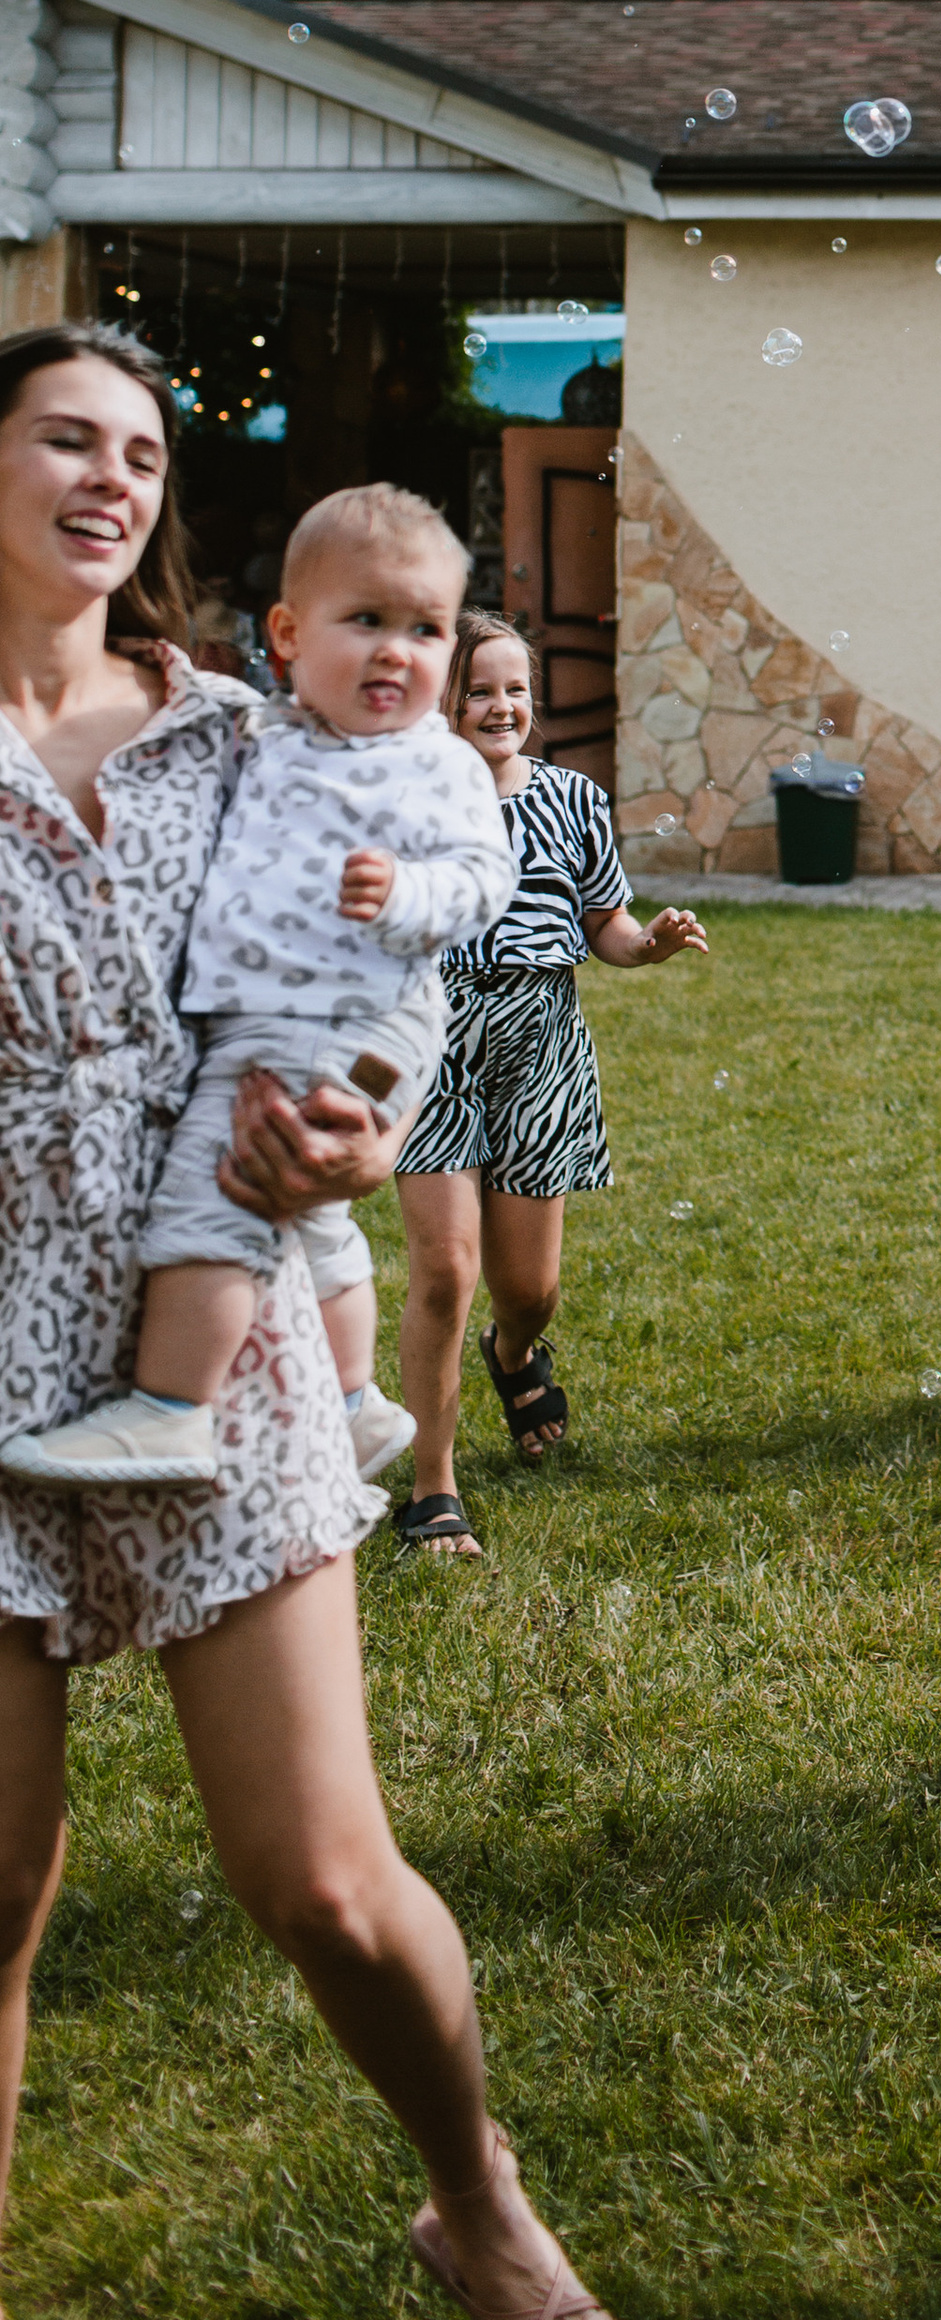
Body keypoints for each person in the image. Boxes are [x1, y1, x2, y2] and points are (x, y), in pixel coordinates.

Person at [0, 323, 609, 2315]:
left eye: (146, 455)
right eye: (65, 441)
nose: (112, 478)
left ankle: (479, 2199)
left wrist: (370, 1139)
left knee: (333, 1892)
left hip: (224, 1334)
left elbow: (363, 982)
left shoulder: (235, 732)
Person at [1, 482, 515, 1495]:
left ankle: (170, 1411)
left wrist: (406, 892)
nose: (396, 651)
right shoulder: (263, 734)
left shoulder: (431, 765)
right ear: (286, 633)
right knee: (309, 1222)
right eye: (365, 621)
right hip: (269, 1010)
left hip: (340, 1007)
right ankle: (358, 1401)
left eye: (426, 630)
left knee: (215, 1196)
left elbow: (482, 879)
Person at [392, 613, 707, 1565]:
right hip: (433, 1041)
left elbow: (604, 924)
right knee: (446, 1269)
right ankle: (433, 1486)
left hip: (541, 1044)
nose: (501, 707)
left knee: (530, 1287)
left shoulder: (572, 799)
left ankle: (515, 1354)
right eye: (478, 690)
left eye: (515, 689)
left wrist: (644, 945)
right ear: (440, 703)